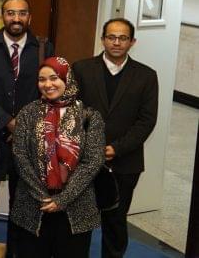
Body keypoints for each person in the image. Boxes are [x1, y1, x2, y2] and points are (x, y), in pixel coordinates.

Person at [71, 18, 158, 258]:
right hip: (83, 160)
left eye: (123, 38)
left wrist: (115, 149)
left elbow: (146, 121)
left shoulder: (146, 76)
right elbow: (72, 112)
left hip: (125, 162)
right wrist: (91, 147)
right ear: (103, 39)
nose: (116, 42)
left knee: (116, 221)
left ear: (132, 42)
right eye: (111, 37)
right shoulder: (81, 69)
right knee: (80, 219)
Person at [0, 0, 54, 222]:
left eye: (22, 13)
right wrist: (7, 121)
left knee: (24, 208)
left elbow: (48, 91)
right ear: (2, 17)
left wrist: (22, 125)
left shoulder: (43, 48)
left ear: (29, 17)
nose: (16, 18)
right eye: (11, 13)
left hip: (29, 141)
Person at [10, 57, 104, 257]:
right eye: (42, 79)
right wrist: (43, 197)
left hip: (76, 206)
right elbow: (20, 156)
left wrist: (62, 199)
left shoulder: (88, 115)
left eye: (54, 78)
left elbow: (92, 162)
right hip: (33, 204)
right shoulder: (28, 113)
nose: (47, 84)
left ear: (67, 79)